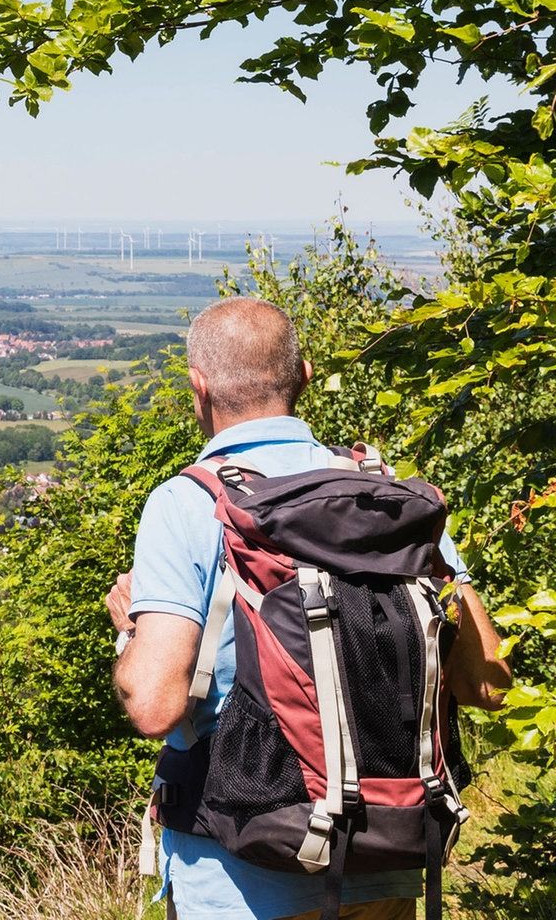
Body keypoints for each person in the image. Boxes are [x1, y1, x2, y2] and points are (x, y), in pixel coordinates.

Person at [106, 296, 510, 920]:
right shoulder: (389, 497)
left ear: (199, 387)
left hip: (243, 871)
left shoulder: (187, 504)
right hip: (393, 861)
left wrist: (131, 628)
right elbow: (486, 684)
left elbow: (154, 705)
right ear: (304, 376)